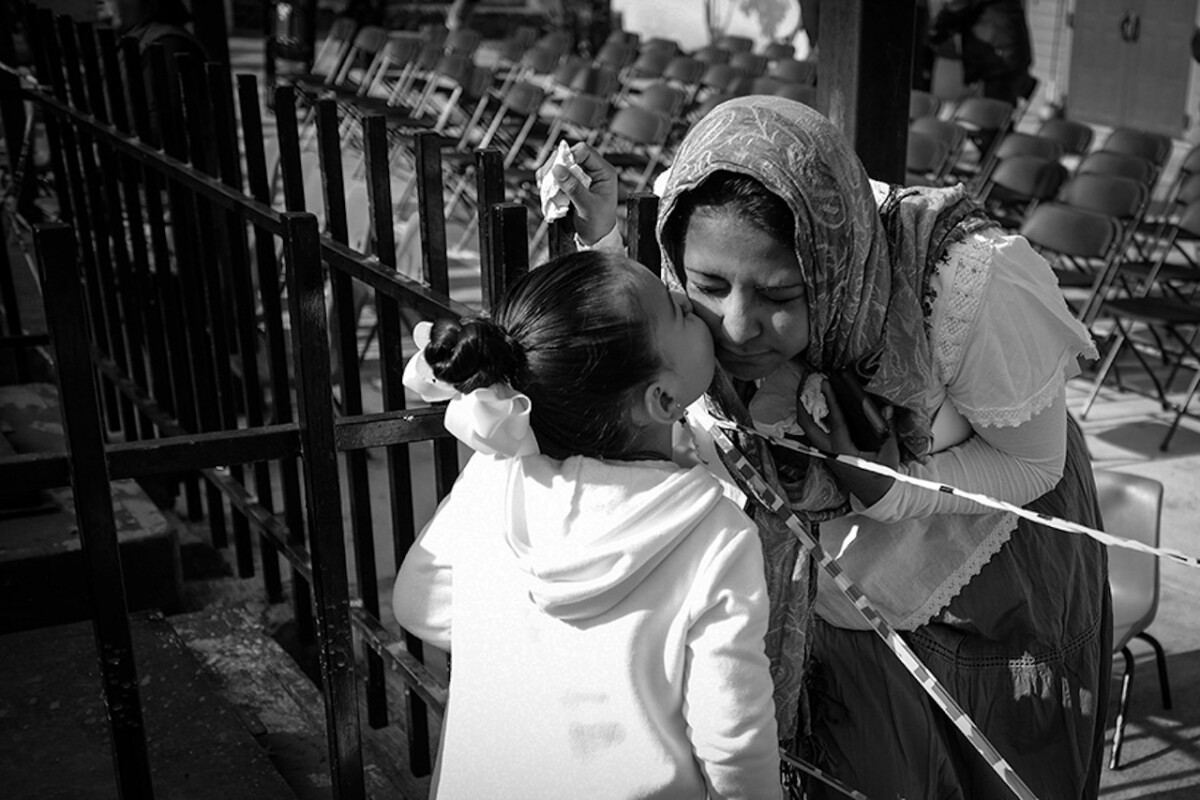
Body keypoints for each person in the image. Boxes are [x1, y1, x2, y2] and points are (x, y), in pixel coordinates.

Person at [549, 96, 1111, 799]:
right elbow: (649, 347)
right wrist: (602, 239)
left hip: (982, 573)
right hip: (831, 584)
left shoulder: (971, 284)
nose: (737, 327)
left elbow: (1032, 463)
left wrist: (892, 491)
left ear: (835, 268)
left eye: (782, 294)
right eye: (708, 288)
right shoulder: (695, 225)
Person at [392, 250, 783, 799]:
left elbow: (417, 603)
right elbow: (734, 743)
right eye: (676, 311)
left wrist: (529, 650)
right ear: (662, 399)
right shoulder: (718, 537)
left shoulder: (498, 472)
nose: (685, 296)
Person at [930, 0, 1034, 105]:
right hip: (1009, 57)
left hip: (997, 60)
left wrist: (936, 31)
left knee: (991, 108)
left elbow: (957, 8)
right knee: (1001, 107)